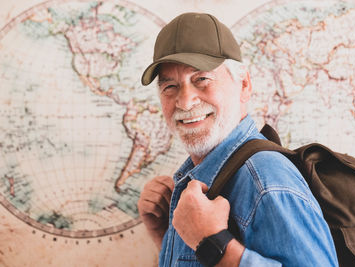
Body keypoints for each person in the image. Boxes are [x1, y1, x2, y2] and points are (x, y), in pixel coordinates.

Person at [137, 12, 339, 267]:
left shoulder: (266, 181)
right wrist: (165, 238)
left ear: (244, 84)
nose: (185, 101)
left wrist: (212, 243)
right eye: (170, 87)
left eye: (201, 79)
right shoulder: (198, 179)